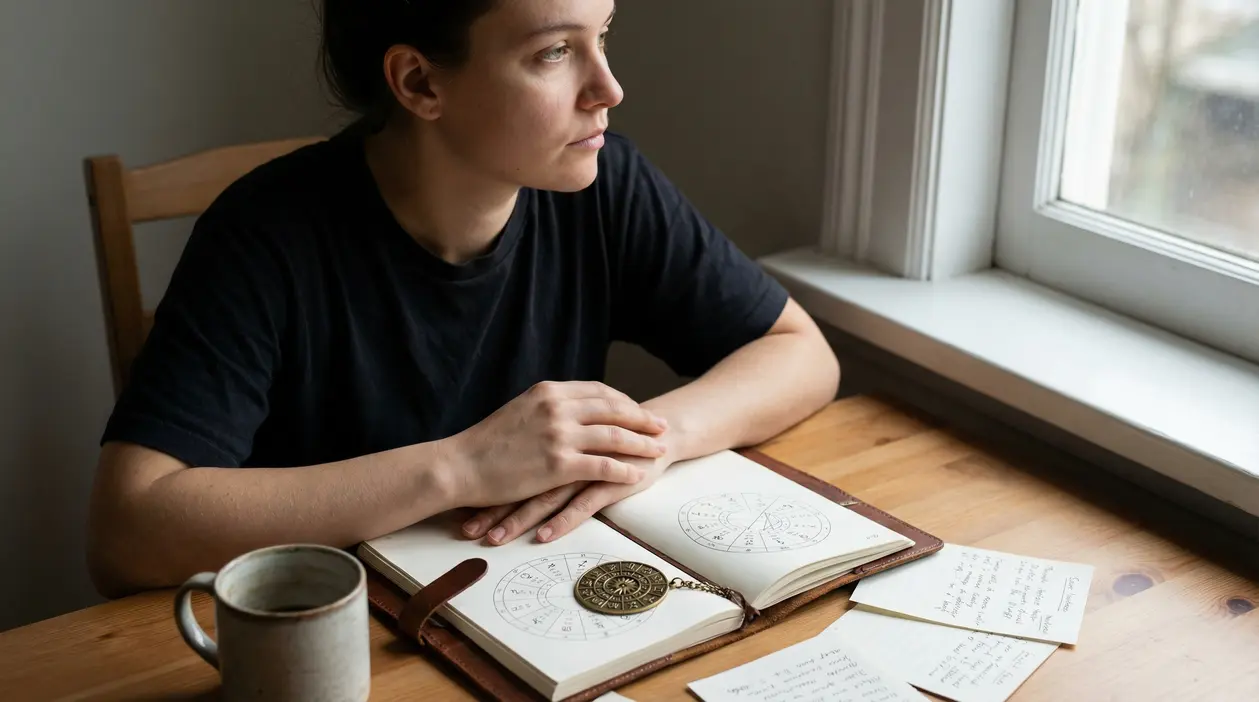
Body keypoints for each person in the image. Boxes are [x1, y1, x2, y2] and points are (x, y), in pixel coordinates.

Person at [85, 0, 840, 599]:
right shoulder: (266, 235)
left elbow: (799, 354)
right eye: (553, 51)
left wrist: (646, 442)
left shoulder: (605, 186)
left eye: (602, 34)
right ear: (419, 83)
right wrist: (460, 467)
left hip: (525, 602)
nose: (608, 89)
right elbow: (127, 531)